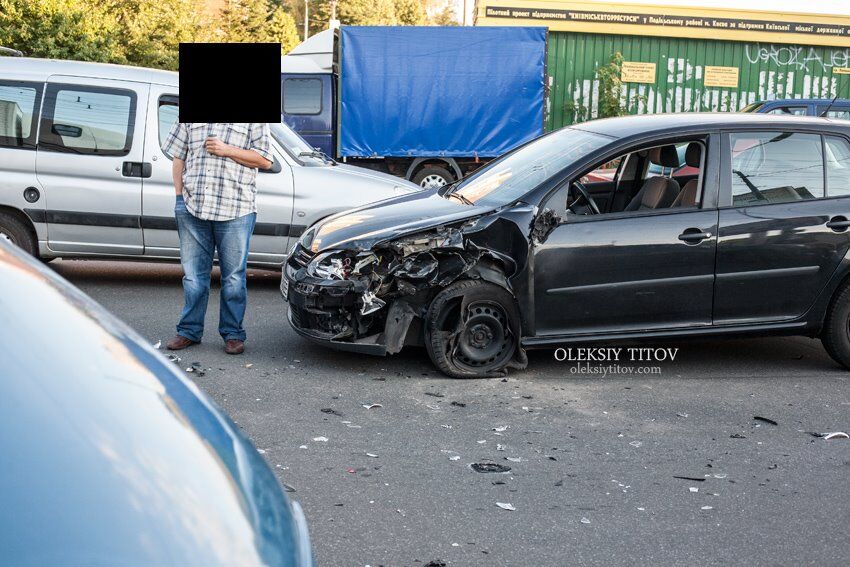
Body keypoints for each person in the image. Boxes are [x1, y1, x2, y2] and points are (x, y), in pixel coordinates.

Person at [162, 122, 272, 354]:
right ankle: (188, 331)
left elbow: (264, 160)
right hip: (193, 207)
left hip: (236, 209)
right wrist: (179, 198)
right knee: (193, 277)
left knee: (233, 278)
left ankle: (233, 334)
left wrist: (227, 150)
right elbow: (178, 156)